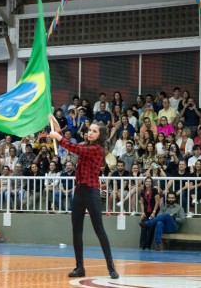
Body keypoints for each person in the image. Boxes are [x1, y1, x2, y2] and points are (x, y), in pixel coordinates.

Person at [49, 114, 119, 279]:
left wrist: (58, 137)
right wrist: (58, 128)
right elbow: (73, 146)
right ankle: (79, 267)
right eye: (90, 130)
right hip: (79, 192)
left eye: (94, 131)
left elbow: (77, 149)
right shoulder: (86, 145)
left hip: (92, 192)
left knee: (99, 230)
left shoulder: (97, 149)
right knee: (76, 230)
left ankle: (111, 267)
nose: (90, 132)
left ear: (100, 135)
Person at [139, 177, 160, 250]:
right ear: (144, 183)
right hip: (146, 212)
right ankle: (142, 246)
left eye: (149, 181)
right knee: (143, 227)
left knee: (151, 228)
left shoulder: (154, 190)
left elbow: (157, 202)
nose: (148, 182)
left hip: (153, 211)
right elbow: (141, 203)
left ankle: (148, 246)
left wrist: (154, 212)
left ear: (151, 183)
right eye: (146, 181)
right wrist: (142, 212)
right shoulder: (142, 191)